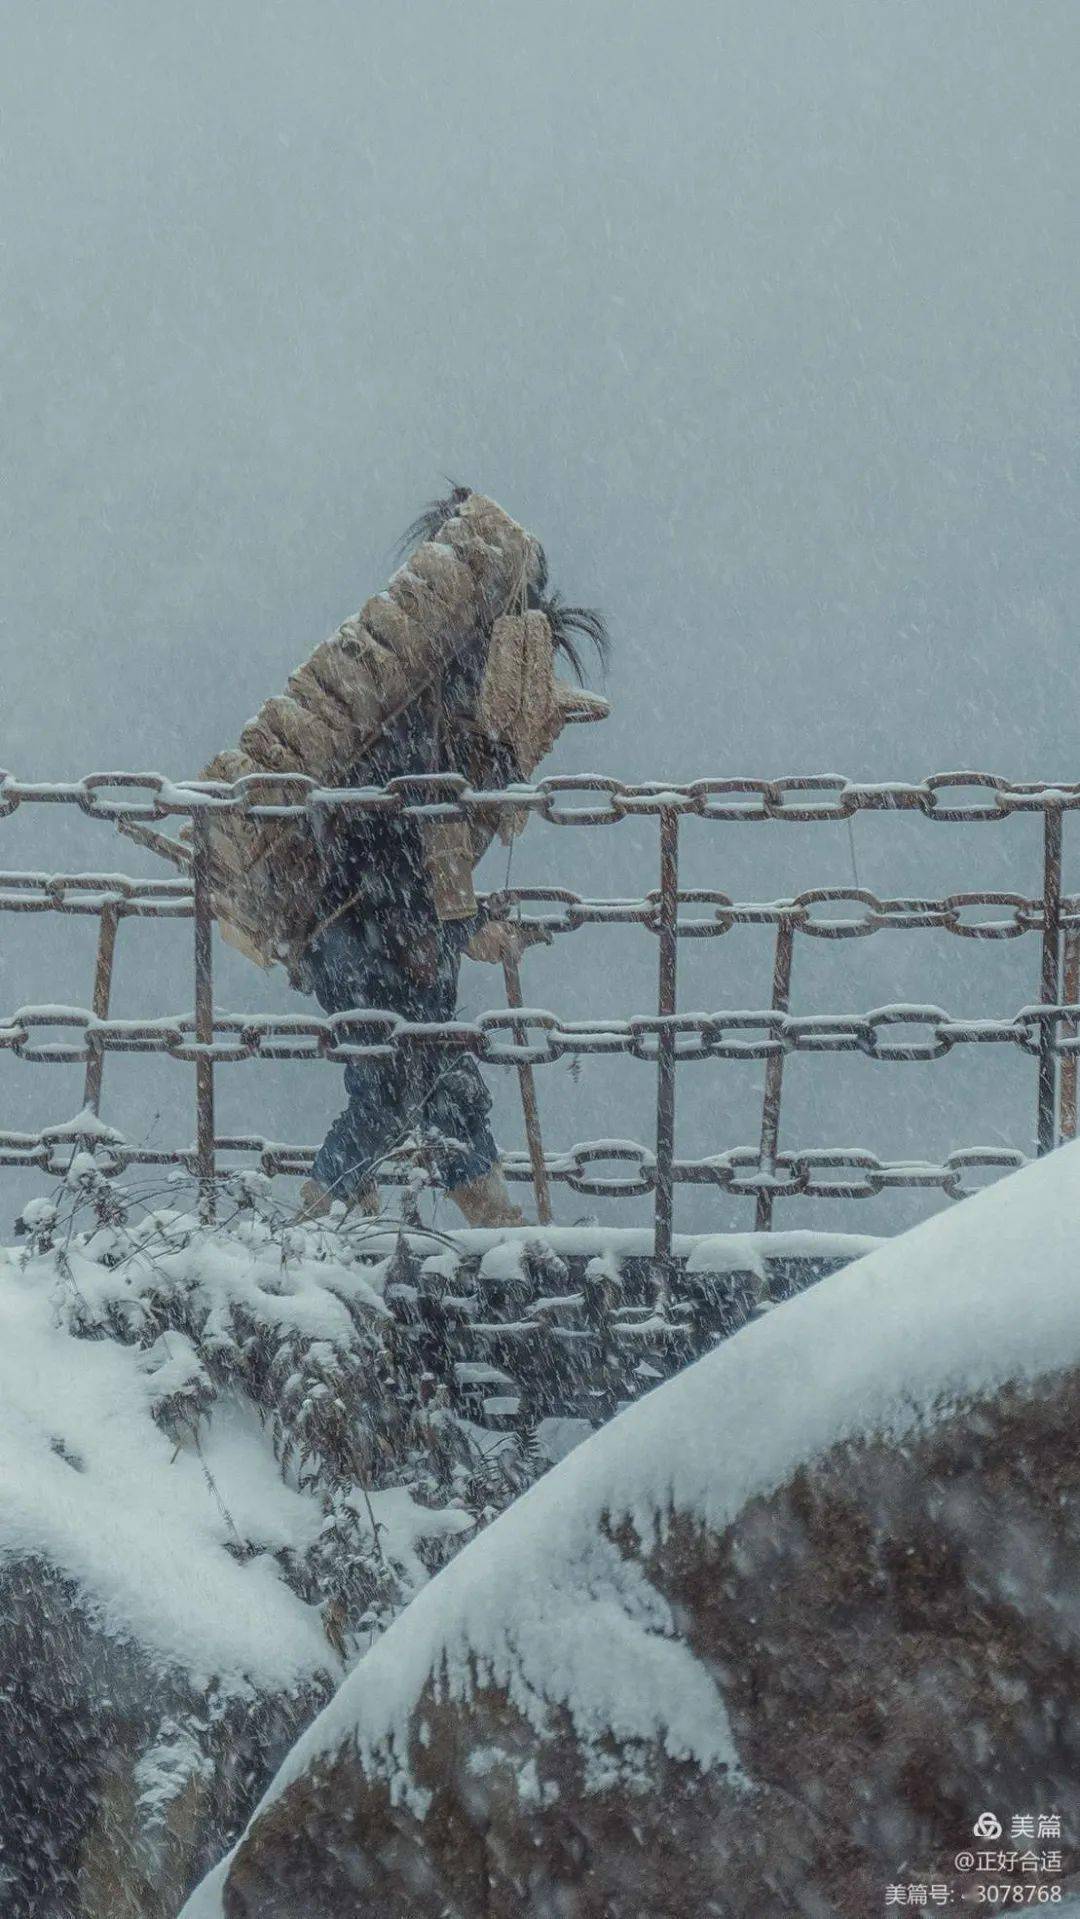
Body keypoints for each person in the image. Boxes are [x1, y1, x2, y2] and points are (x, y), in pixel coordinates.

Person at [291, 487, 610, 1226]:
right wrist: (464, 929)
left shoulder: (436, 720)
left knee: (440, 1086)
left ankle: (481, 1221)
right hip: (363, 933)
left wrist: (462, 926)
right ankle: (315, 1220)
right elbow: (402, 853)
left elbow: (417, 854)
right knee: (394, 1090)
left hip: (388, 935)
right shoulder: (431, 729)